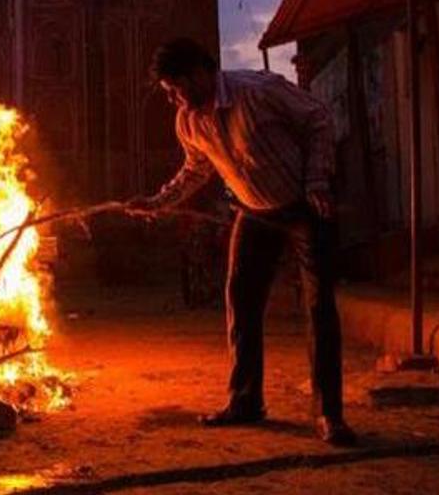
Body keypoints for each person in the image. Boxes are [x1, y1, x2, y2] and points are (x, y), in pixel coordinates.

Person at [131, 37, 356, 447]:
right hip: (253, 212)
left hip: (305, 206)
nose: (175, 99)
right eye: (169, 92)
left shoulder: (258, 90)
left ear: (202, 72)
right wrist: (158, 203)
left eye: (177, 88)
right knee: (241, 300)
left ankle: (329, 415)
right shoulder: (188, 120)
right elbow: (196, 169)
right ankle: (246, 400)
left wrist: (318, 179)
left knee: (319, 304)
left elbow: (318, 118)